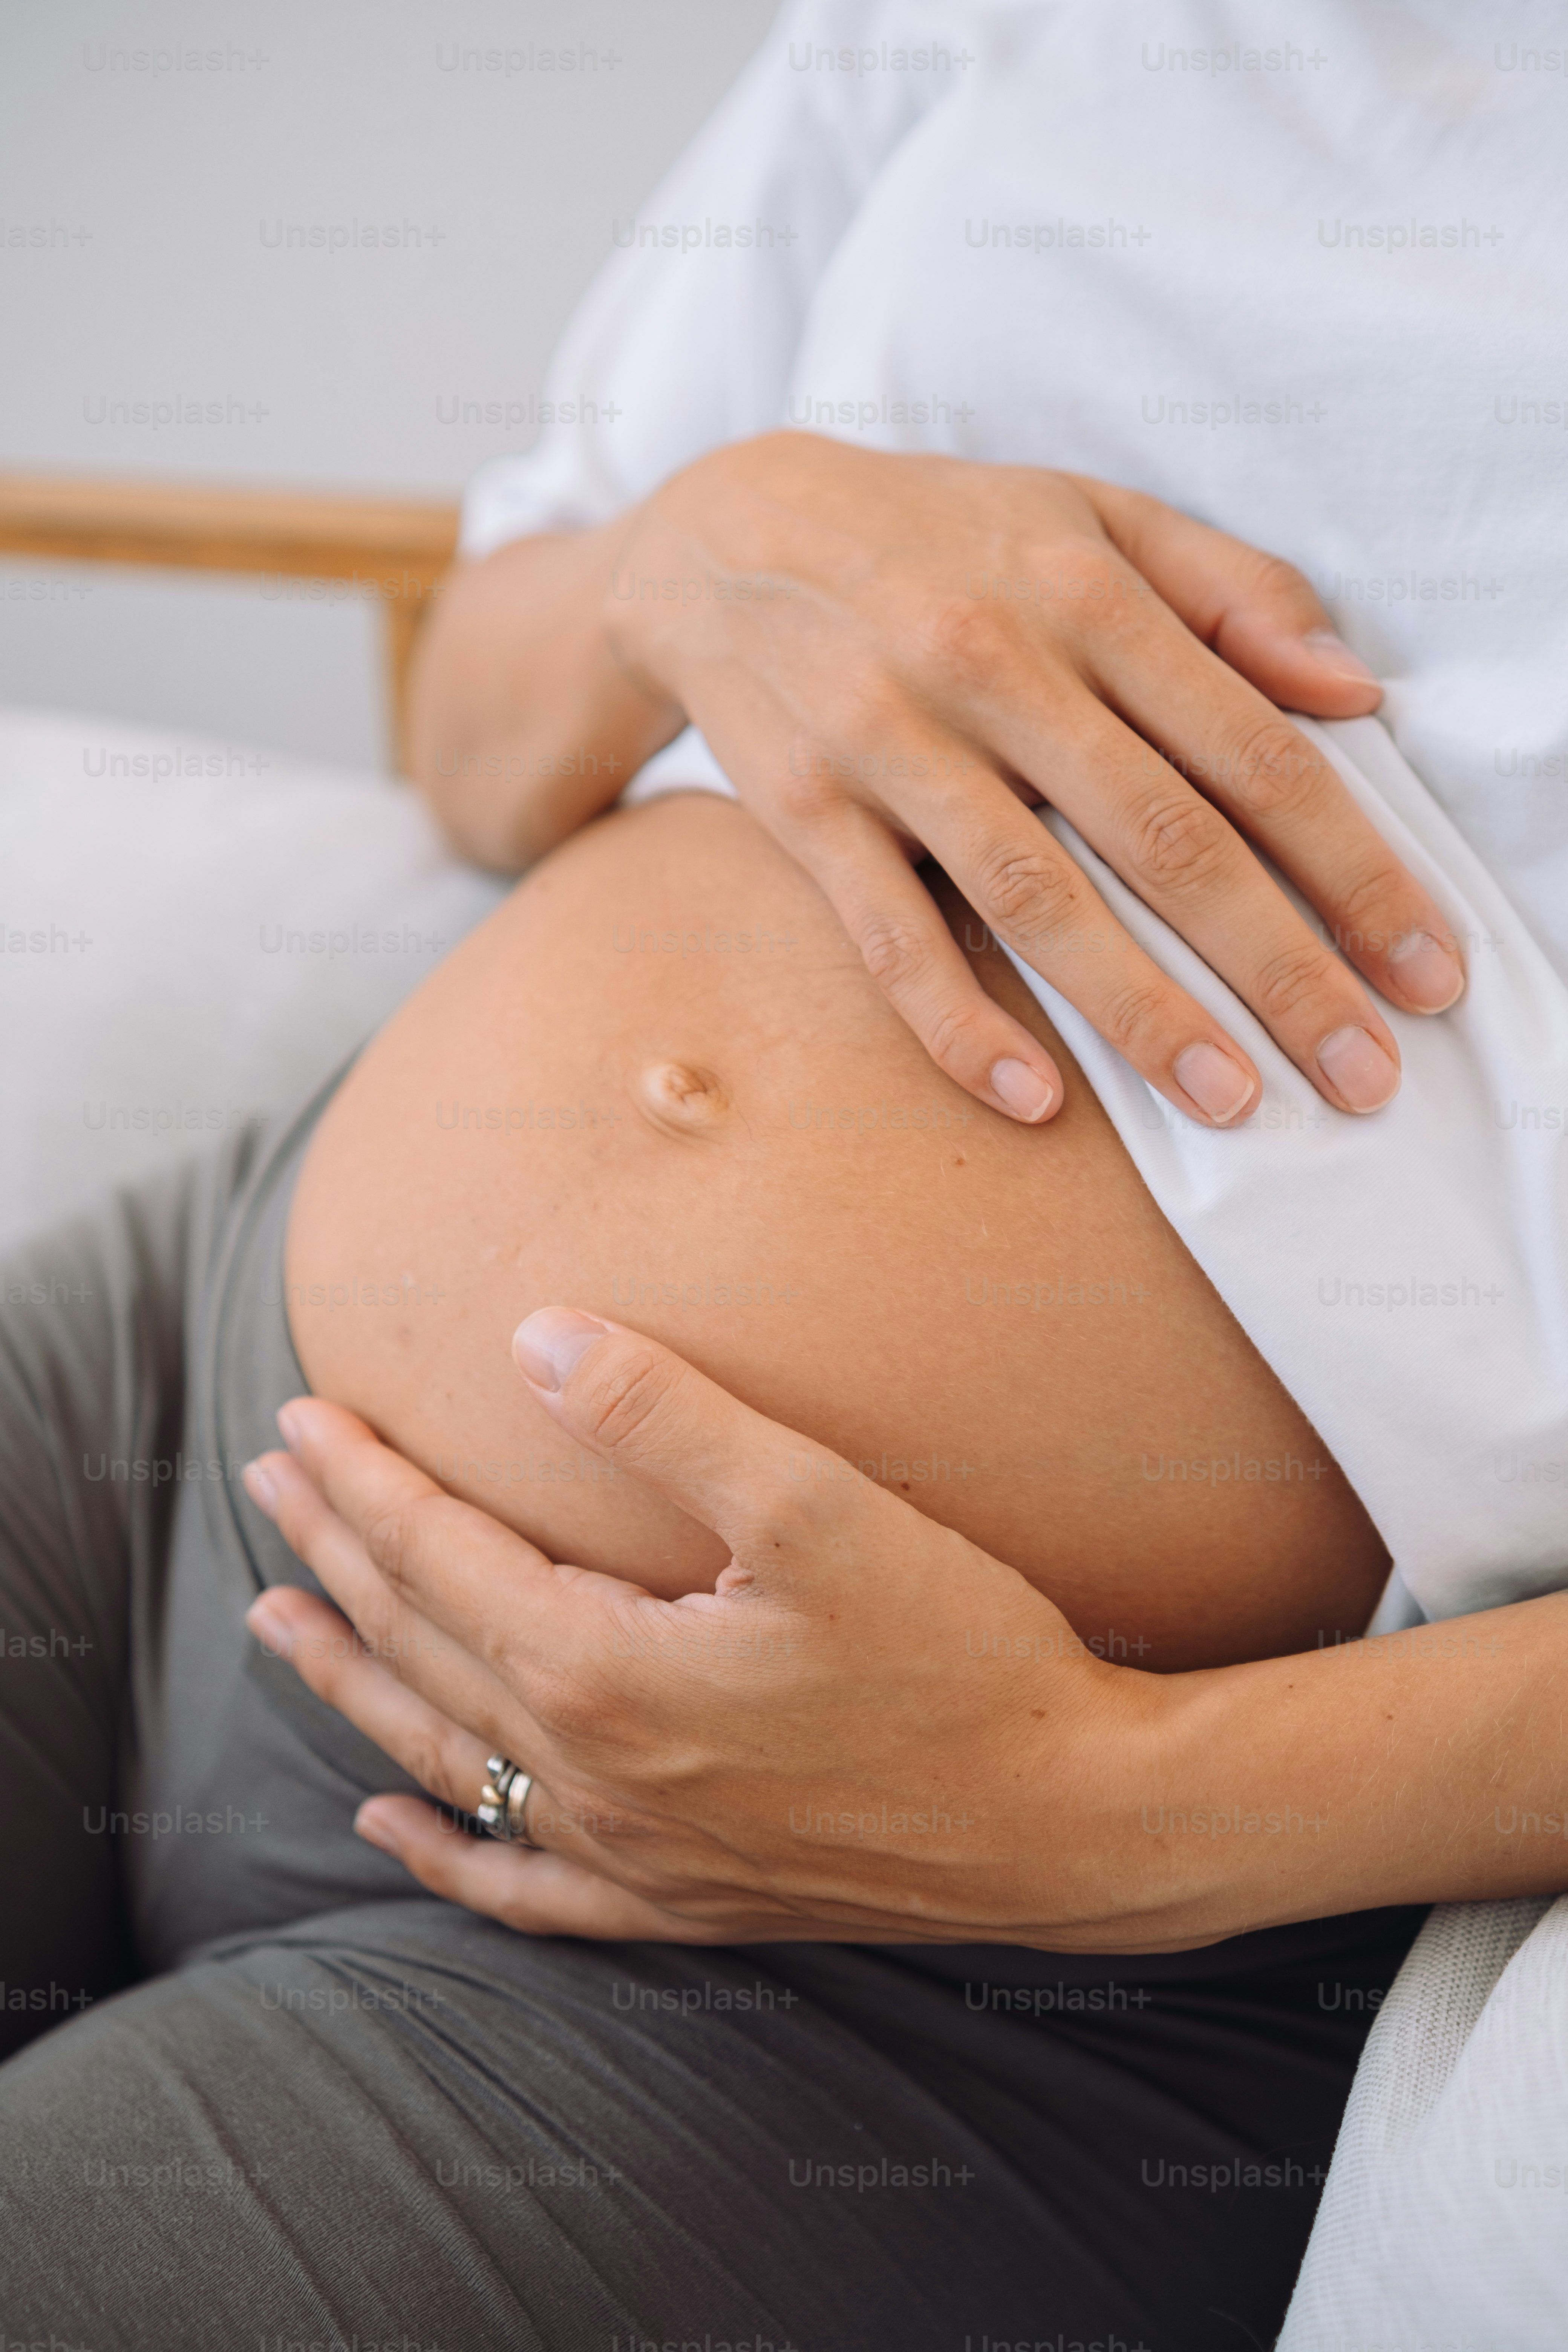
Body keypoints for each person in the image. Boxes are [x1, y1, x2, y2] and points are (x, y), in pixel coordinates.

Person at [2, 4, 1565, 2346]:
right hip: (179, 1395)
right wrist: (689, 551)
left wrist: (1110, 1800)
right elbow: (480, 728)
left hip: (923, 1956)